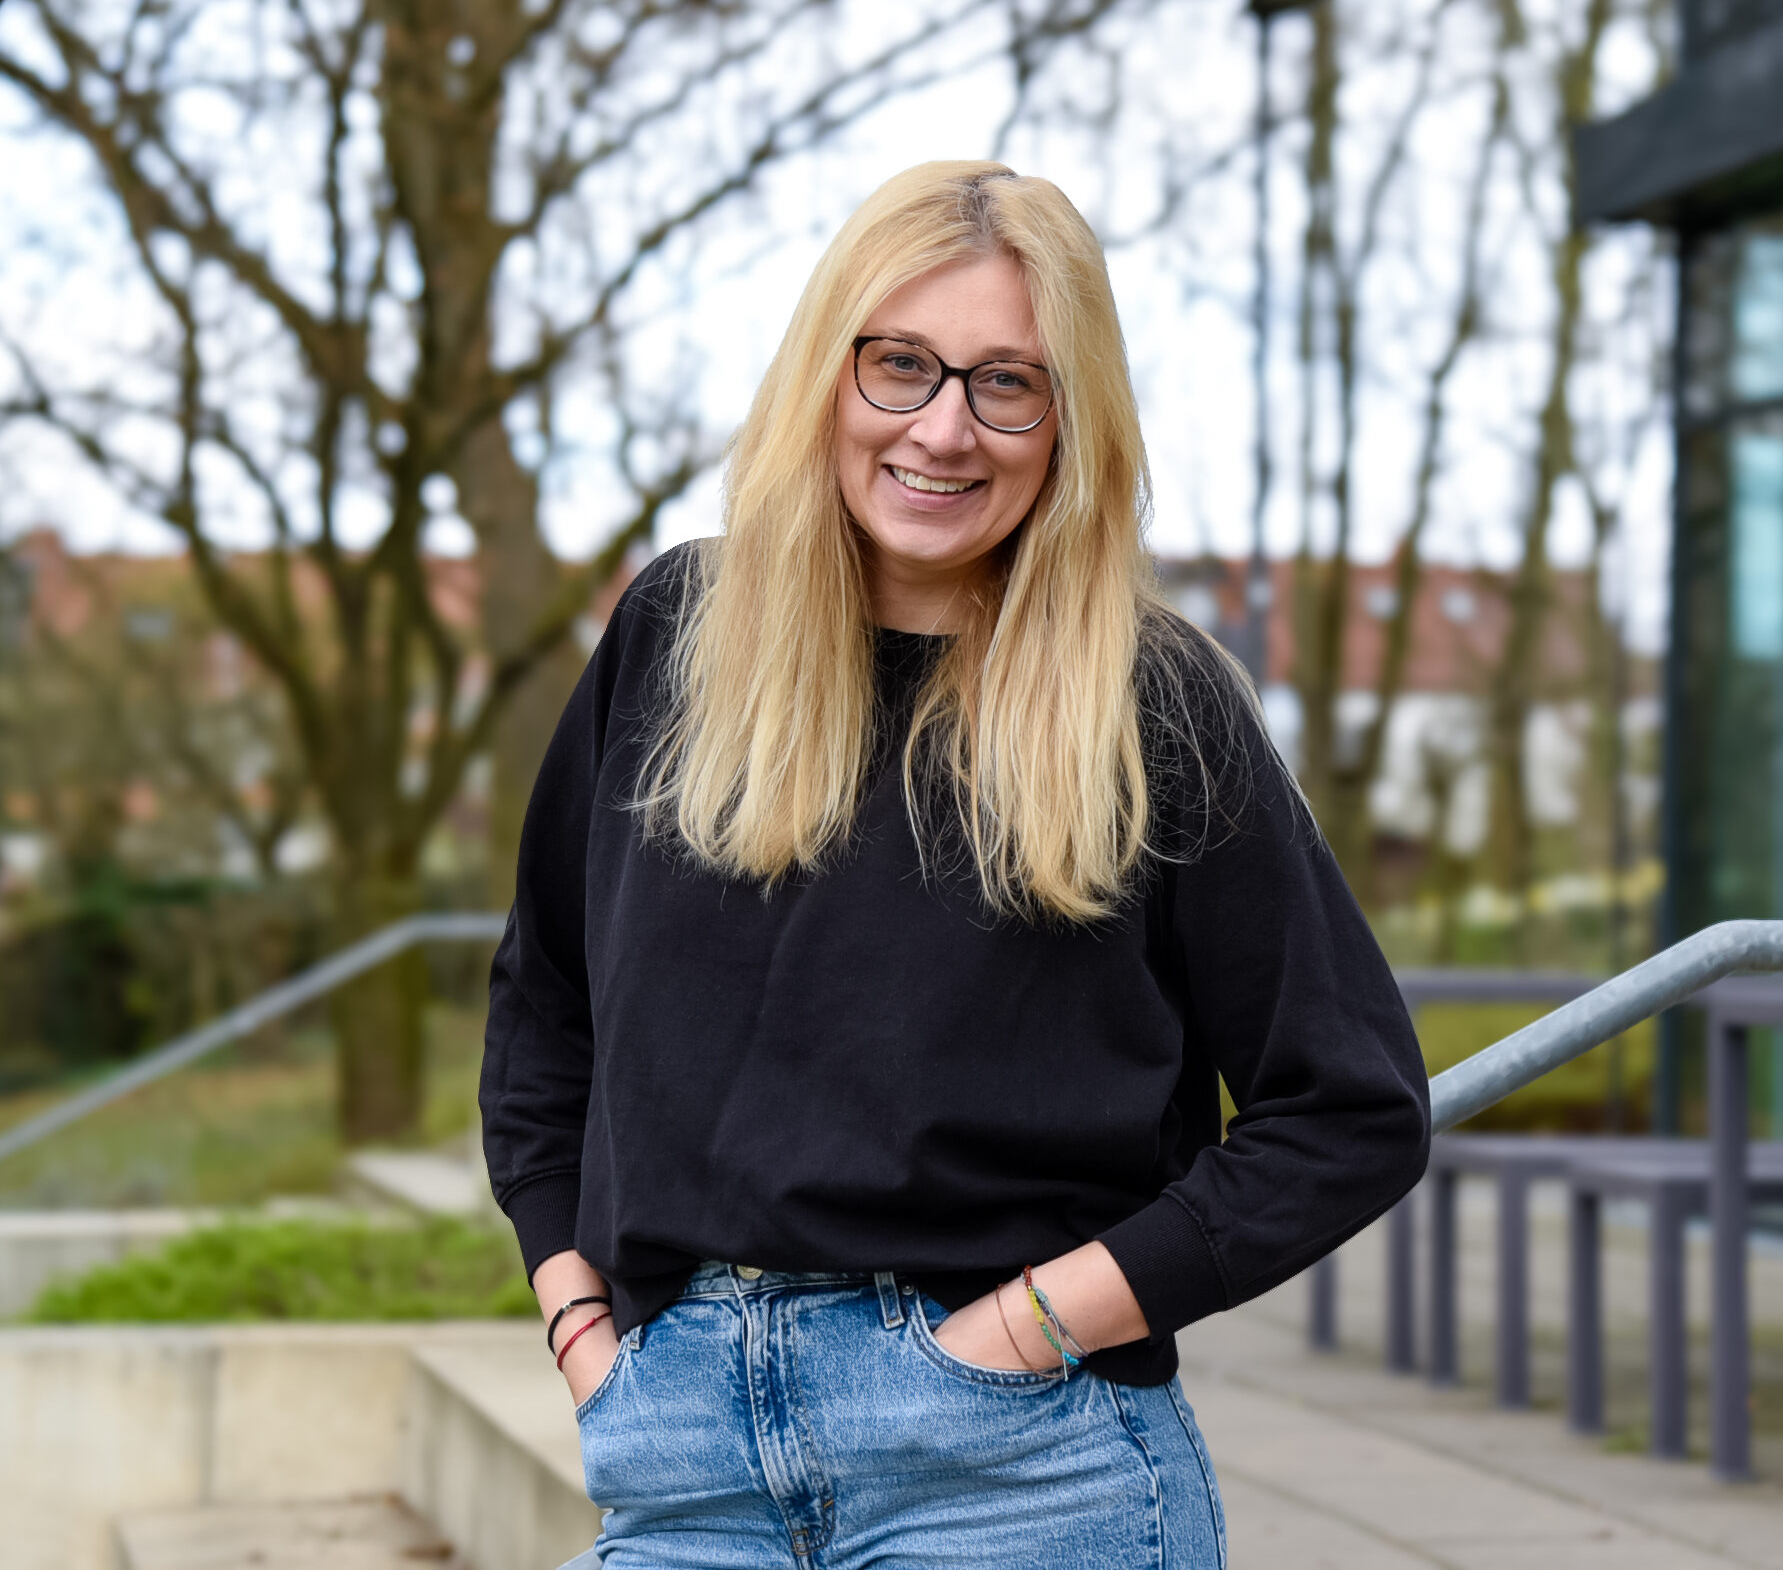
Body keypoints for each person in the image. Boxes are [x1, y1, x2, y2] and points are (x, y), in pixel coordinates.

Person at [480, 160, 1430, 1570]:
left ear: (1069, 423)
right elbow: (544, 1012)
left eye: (1008, 384)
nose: (945, 428)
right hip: (679, 1452)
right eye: (902, 366)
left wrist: (1022, 1332)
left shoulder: (1152, 702)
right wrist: (578, 1319)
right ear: (828, 374)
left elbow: (1347, 1109)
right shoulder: (676, 638)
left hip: (1014, 1474)